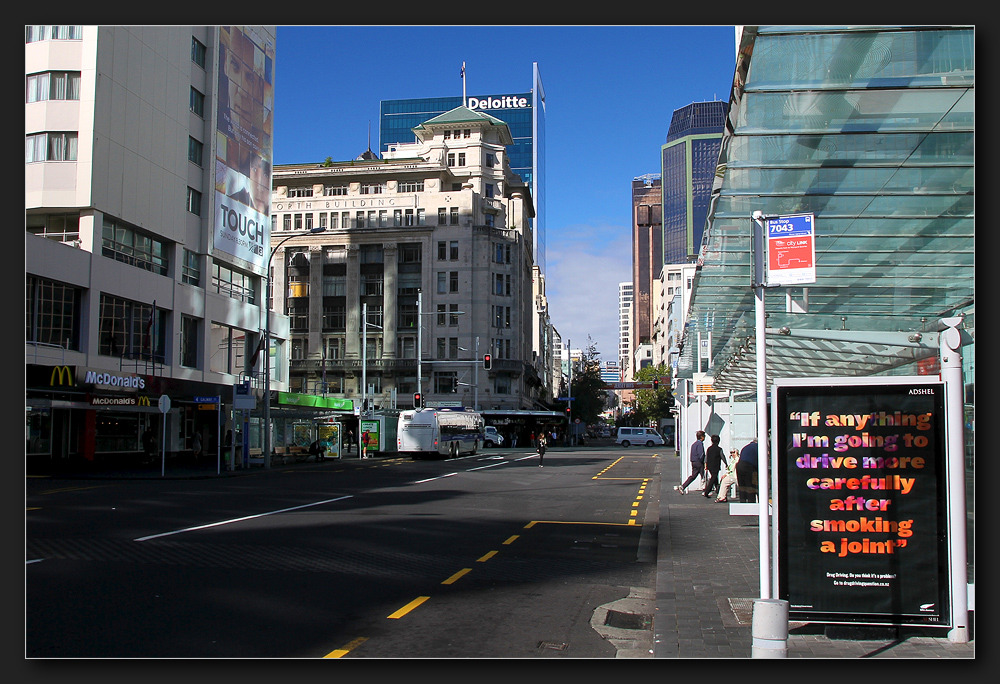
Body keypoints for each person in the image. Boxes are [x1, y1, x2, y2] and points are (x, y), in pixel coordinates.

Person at [675, 430, 706, 494]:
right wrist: (704, 461)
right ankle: (705, 490)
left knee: (693, 476)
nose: (705, 437)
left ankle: (683, 486)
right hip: (699, 462)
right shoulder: (700, 444)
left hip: (693, 462)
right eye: (704, 436)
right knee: (703, 476)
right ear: (702, 437)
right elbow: (701, 454)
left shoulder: (694, 444)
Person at [703, 434, 727, 499]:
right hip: (716, 466)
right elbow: (723, 457)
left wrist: (705, 464)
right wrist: (726, 464)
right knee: (713, 478)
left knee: (715, 479)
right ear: (718, 441)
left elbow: (706, 457)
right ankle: (707, 491)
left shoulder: (709, 449)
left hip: (710, 466)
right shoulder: (719, 449)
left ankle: (719, 492)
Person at [737, 438, 759, 503]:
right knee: (750, 485)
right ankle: (751, 501)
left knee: (742, 485)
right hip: (748, 466)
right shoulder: (757, 446)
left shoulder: (745, 447)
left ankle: (742, 501)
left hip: (739, 465)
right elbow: (758, 460)